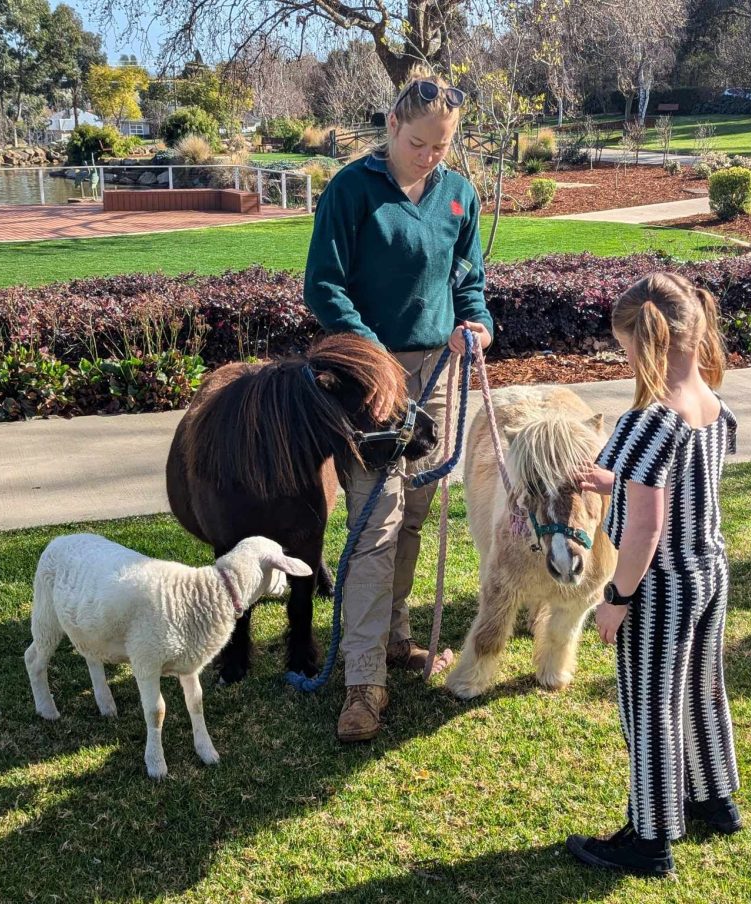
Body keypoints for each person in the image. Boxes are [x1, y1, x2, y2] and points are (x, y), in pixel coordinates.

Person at [303, 69, 493, 743]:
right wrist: (373, 355)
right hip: (368, 376)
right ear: (391, 125)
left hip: (436, 373)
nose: (431, 157)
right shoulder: (352, 191)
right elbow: (322, 286)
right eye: (420, 143)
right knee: (375, 523)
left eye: (442, 147)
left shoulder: (459, 195)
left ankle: (393, 638)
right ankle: (362, 682)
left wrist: (477, 322)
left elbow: (467, 280)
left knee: (415, 514)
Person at [566, 273, 741, 878]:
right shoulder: (713, 404)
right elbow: (683, 483)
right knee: (701, 689)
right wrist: (615, 482)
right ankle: (715, 797)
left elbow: (645, 530)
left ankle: (650, 838)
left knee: (650, 708)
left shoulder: (647, 420)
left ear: (640, 344)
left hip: (661, 583)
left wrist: (617, 597)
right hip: (710, 570)